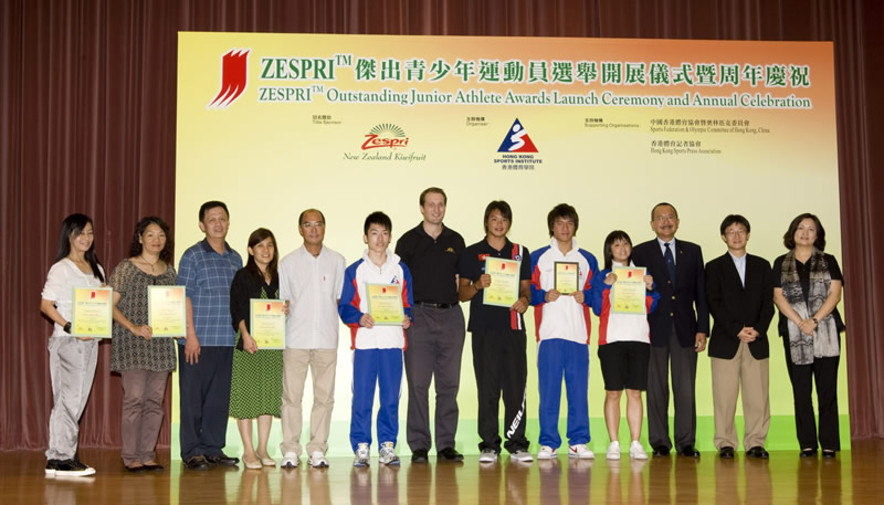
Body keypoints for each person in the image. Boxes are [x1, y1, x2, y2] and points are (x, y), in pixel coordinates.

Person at [457, 201, 533, 464]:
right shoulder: (471, 253)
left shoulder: (521, 252)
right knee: (487, 388)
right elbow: (462, 294)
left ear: (509, 223)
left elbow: (527, 290)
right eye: (494, 219)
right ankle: (489, 445)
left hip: (513, 327)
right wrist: (478, 284)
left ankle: (517, 443)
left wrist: (525, 301)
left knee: (515, 387)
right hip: (484, 329)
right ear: (486, 222)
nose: (499, 224)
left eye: (504, 219)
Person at [631, 202, 709, 458]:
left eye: (670, 217)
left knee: (685, 388)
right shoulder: (640, 252)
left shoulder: (693, 251)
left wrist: (703, 329)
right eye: (660, 218)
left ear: (678, 221)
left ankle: (686, 442)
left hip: (687, 328)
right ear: (652, 224)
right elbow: (631, 291)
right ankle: (660, 442)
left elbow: (701, 293)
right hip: (653, 328)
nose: (666, 221)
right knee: (655, 387)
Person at [395, 187, 466, 463]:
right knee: (418, 384)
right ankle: (420, 445)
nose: (436, 209)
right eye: (431, 205)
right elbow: (399, 284)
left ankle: (446, 444)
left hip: (451, 317)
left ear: (445, 208)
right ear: (422, 208)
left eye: (441, 205)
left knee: (449, 385)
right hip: (418, 317)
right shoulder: (408, 241)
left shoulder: (456, 240)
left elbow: (461, 283)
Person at [338, 212, 413, 467]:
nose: (379, 239)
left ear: (390, 237)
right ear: (365, 237)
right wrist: (359, 318)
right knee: (362, 397)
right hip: (365, 345)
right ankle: (361, 447)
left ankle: (387, 446)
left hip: (392, 344)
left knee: (391, 398)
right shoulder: (354, 270)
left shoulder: (401, 269)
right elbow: (345, 307)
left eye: (384, 233)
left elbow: (408, 305)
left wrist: (407, 318)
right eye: (374, 233)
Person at [529, 203, 600, 460]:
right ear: (552, 226)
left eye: (569, 223)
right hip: (548, 335)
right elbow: (528, 292)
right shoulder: (538, 257)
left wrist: (587, 296)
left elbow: (597, 295)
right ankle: (548, 442)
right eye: (559, 223)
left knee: (578, 391)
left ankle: (578, 441)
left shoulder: (588, 259)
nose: (564, 228)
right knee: (548, 392)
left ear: (575, 226)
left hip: (578, 335)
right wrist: (543, 295)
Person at [177, 201, 243, 470]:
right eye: (212, 219)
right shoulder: (192, 255)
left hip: (226, 339)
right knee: (193, 398)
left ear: (228, 222)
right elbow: (184, 297)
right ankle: (192, 450)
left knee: (218, 398)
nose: (218, 223)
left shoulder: (235, 258)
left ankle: (213, 448)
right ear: (202, 225)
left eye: (222, 218)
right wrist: (190, 335)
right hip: (197, 341)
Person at [278, 209, 345, 469]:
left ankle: (318, 448)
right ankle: (290, 450)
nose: (314, 229)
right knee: (291, 398)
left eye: (318, 224)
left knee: (324, 398)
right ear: (300, 229)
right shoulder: (288, 262)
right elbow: (283, 303)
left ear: (325, 228)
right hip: (295, 338)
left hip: (327, 338)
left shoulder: (338, 261)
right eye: (308, 225)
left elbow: (340, 299)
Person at [772, 213, 844, 458]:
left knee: (827, 391)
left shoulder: (829, 260)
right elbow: (778, 296)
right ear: (792, 233)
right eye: (800, 228)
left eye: (811, 229)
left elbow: (835, 295)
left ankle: (830, 444)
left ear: (818, 234)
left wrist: (813, 321)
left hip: (825, 331)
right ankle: (807, 445)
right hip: (794, 333)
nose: (805, 233)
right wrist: (799, 322)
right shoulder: (780, 262)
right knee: (801, 392)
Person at [109, 216, 177, 472]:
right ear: (140, 238)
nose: (156, 240)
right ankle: (131, 457)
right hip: (132, 343)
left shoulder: (169, 270)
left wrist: (177, 327)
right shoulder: (126, 268)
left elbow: (174, 307)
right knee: (134, 399)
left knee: (154, 401)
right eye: (150, 235)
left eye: (161, 235)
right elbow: (110, 304)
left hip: (160, 347)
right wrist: (133, 327)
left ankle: (148, 454)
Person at [40, 213, 105, 477]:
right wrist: (71, 327)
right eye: (80, 233)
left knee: (76, 399)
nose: (86, 238)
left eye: (90, 232)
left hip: (91, 343)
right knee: (68, 399)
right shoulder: (61, 268)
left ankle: (64, 452)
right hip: (68, 342)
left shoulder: (96, 268)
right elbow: (46, 305)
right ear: (69, 235)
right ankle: (59, 458)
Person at [706, 215, 775, 459]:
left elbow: (769, 303)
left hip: (756, 339)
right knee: (724, 397)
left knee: (757, 396)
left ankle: (756, 442)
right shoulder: (713, 267)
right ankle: (725, 442)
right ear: (723, 236)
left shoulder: (762, 265)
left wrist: (757, 328)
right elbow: (713, 302)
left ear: (748, 234)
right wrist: (737, 328)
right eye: (731, 231)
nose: (736, 235)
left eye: (741, 230)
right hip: (726, 339)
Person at [591, 230, 659, 461]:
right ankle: (614, 442)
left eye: (625, 244)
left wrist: (650, 288)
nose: (622, 248)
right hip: (611, 340)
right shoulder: (602, 276)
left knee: (635, 393)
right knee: (613, 393)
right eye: (616, 245)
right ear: (609, 250)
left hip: (639, 338)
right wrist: (607, 286)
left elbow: (651, 306)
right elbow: (597, 308)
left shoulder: (642, 274)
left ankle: (636, 442)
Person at [229, 228, 284, 469]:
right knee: (247, 398)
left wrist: (287, 308)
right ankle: (248, 451)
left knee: (267, 397)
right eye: (260, 246)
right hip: (249, 344)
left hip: (272, 348)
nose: (266, 250)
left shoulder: (280, 277)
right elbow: (238, 308)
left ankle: (263, 448)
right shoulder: (243, 276)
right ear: (251, 250)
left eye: (270, 245)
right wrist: (246, 335)